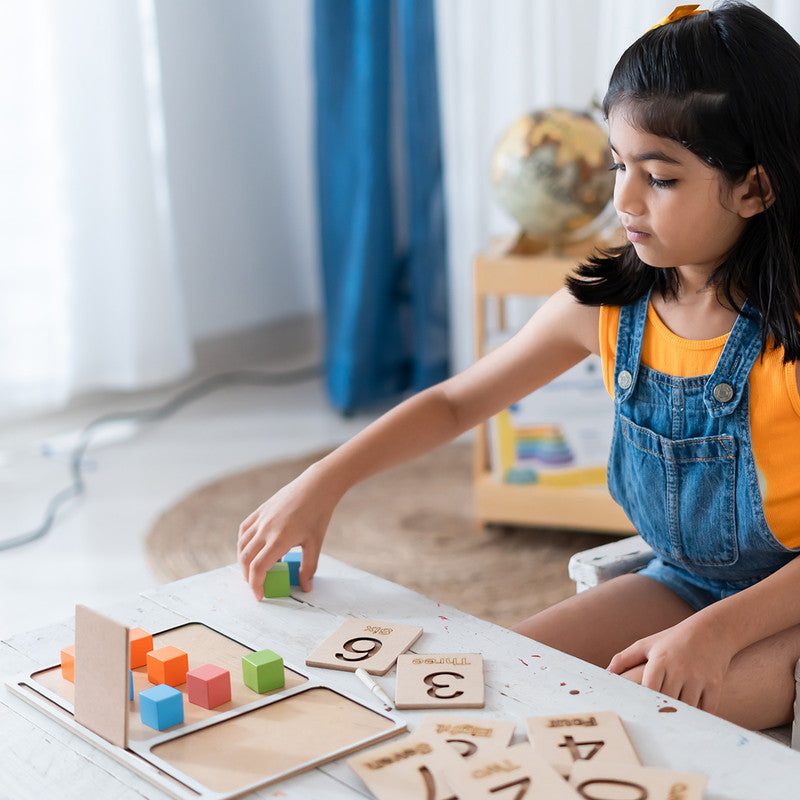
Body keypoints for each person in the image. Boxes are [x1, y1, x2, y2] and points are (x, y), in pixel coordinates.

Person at [238, 1, 800, 731]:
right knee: (488, 682)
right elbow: (452, 405)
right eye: (617, 165)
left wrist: (716, 634)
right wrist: (324, 481)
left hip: (784, 599)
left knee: (641, 719)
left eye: (659, 178)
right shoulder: (608, 305)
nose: (622, 199)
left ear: (755, 187)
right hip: (687, 582)